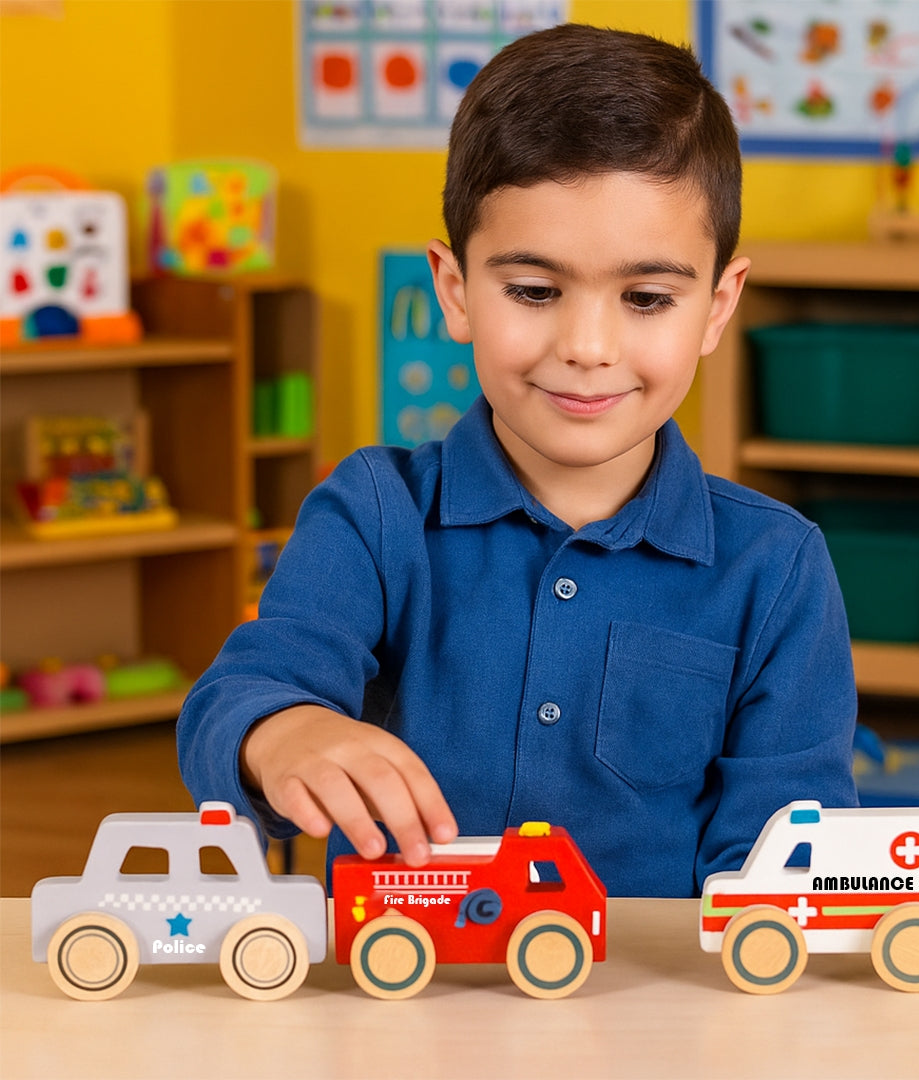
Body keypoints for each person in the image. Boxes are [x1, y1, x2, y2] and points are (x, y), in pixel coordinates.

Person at [178, 23, 857, 898]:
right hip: (403, 988)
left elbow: (787, 848)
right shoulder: (373, 513)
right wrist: (281, 731)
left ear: (718, 307)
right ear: (455, 290)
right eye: (534, 291)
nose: (586, 345)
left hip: (654, 1014)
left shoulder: (777, 566)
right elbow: (239, 697)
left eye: (647, 298)